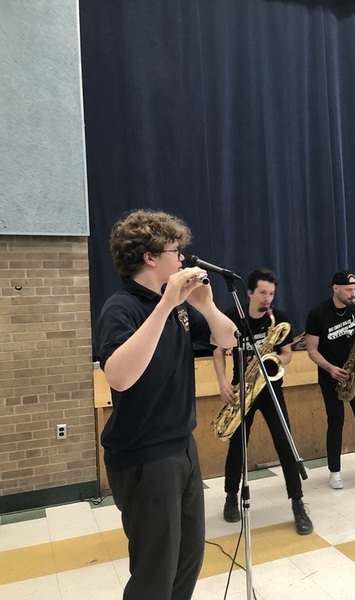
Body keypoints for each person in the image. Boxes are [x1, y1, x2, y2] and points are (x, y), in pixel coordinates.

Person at [96, 210, 238, 600]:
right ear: (150, 257)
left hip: (181, 446)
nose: (183, 260)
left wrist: (207, 306)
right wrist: (167, 303)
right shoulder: (122, 308)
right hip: (144, 455)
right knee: (154, 571)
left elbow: (230, 337)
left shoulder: (176, 306)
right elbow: (119, 376)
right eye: (176, 251)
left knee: (188, 558)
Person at [213, 268, 313, 535]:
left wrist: (276, 361)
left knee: (285, 444)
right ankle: (231, 497)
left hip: (270, 388)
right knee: (238, 447)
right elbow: (218, 351)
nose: (267, 298)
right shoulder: (232, 316)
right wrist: (223, 381)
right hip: (241, 390)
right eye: (262, 293)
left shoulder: (278, 318)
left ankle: (298, 504)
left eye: (271, 293)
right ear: (249, 293)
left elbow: (288, 353)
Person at [305, 271, 355, 489]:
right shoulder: (317, 314)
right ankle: (334, 472)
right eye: (348, 290)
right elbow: (311, 350)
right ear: (335, 288)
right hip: (330, 374)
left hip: (353, 372)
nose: (353, 294)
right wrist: (330, 368)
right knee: (336, 421)